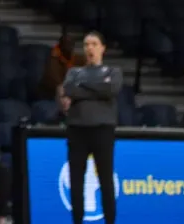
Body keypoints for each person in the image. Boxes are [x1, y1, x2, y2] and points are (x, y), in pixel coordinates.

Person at [62, 32, 120, 224]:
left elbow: (111, 89)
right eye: (86, 44)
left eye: (94, 44)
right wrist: (97, 88)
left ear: (102, 47)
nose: (90, 48)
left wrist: (84, 87)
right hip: (77, 130)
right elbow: (69, 90)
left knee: (105, 181)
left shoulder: (113, 72)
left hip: (103, 130)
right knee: (76, 182)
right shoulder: (73, 72)